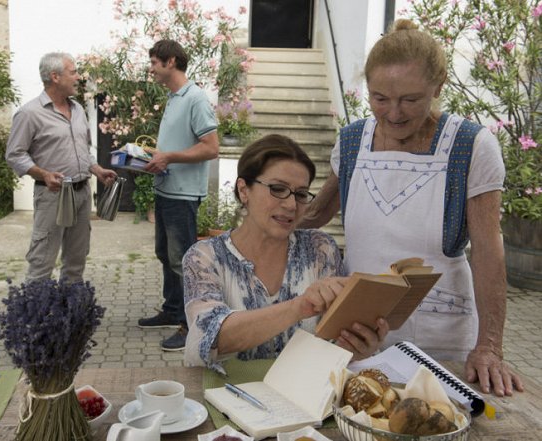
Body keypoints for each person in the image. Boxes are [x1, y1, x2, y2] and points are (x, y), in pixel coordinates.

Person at [300, 20, 524, 396]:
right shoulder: (353, 141)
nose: (394, 113)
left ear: (439, 86)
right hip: (359, 328)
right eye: (379, 98)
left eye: (410, 99)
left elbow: (487, 250)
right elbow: (317, 214)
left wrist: (489, 346)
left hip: (444, 334)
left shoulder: (471, 146)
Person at [183, 134, 388, 371]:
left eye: (301, 194)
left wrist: (355, 347)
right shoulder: (205, 257)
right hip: (226, 398)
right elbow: (211, 336)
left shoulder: (319, 250)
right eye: (278, 189)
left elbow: (333, 343)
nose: (291, 205)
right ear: (243, 190)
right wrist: (299, 307)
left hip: (306, 399)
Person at [5, 52, 117, 283]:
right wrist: (43, 174)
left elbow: (84, 149)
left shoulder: (77, 110)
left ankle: (70, 314)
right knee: (42, 261)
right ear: (55, 76)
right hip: (52, 195)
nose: (78, 77)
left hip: (82, 193)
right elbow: (14, 154)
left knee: (76, 261)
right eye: (73, 72)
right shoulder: (29, 113)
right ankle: (34, 316)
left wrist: (96, 169)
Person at [137, 40, 219, 351]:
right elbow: (177, 147)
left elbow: (211, 148)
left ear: (171, 62)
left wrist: (168, 157)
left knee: (184, 262)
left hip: (183, 196)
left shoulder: (195, 98)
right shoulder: (174, 98)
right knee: (165, 254)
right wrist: (152, 157)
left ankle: (191, 325)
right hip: (166, 190)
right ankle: (172, 310)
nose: (152, 69)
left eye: (155, 63)